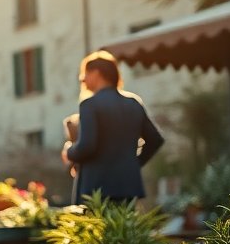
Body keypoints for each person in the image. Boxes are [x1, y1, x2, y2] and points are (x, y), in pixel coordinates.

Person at [62, 51, 165, 204]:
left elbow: (87, 146)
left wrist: (69, 152)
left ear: (96, 74)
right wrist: (132, 164)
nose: (82, 80)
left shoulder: (90, 105)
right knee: (122, 228)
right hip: (128, 186)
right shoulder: (133, 103)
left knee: (97, 227)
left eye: (85, 74)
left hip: (96, 189)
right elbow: (155, 139)